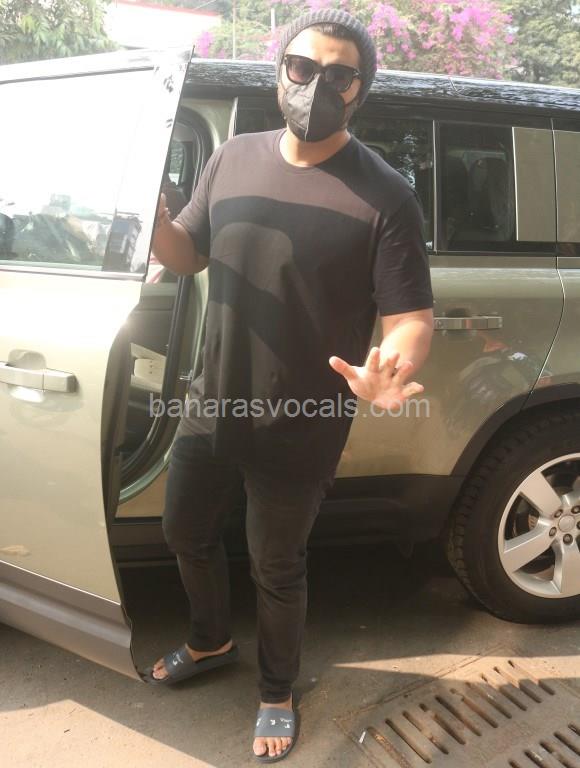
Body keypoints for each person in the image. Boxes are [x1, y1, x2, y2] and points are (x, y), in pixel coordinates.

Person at [146, 8, 435, 762]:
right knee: (183, 531)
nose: (316, 87)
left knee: (276, 566)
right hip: (212, 402)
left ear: (361, 89)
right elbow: (188, 255)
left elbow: (409, 317)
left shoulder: (386, 195)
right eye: (303, 69)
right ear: (281, 72)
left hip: (302, 421)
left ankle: (276, 690)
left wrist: (393, 365)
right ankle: (210, 640)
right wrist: (155, 220)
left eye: (339, 76)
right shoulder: (232, 158)